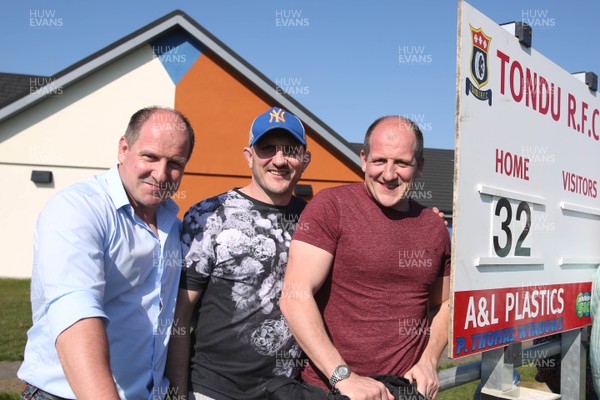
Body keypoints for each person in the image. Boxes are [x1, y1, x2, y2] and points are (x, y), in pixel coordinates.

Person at [18, 106, 195, 400]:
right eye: (149, 157)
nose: (161, 174)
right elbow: (77, 315)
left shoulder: (174, 228)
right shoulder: (78, 209)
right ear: (123, 148)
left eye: (175, 162)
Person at [280, 116, 451, 400]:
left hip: (405, 391)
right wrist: (344, 378)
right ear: (363, 159)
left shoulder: (434, 227)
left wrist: (429, 360)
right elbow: (295, 297)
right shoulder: (332, 206)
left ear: (419, 166)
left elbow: (445, 303)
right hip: (334, 391)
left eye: (402, 163)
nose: (388, 173)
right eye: (379, 161)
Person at [165, 107, 311, 400]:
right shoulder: (209, 216)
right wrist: (179, 394)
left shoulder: (317, 221)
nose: (279, 160)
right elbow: (179, 313)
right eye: (267, 149)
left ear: (305, 159)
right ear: (248, 156)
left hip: (287, 392)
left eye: (290, 150)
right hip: (213, 389)